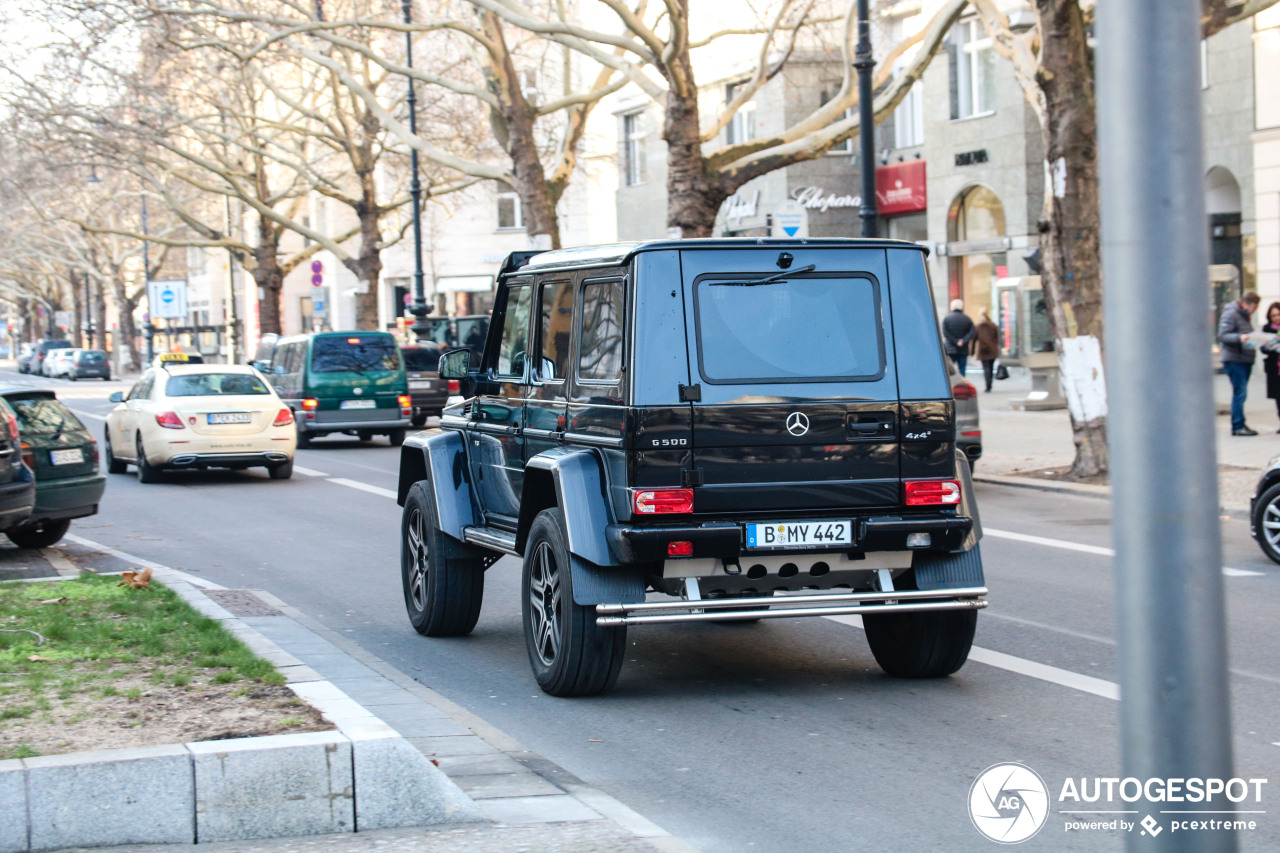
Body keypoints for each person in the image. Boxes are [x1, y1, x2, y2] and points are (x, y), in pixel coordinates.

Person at [1219, 290, 1261, 436]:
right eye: (1254, 308)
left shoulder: (1244, 317)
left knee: (1241, 393)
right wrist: (1240, 337)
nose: (1254, 311)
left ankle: (1240, 422)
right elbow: (1223, 335)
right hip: (1235, 360)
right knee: (1240, 393)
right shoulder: (1231, 314)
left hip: (1244, 360)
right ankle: (1237, 426)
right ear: (1246, 304)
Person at [942, 299, 975, 376]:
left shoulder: (947, 319)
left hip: (950, 349)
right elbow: (971, 332)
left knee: (948, 370)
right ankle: (962, 386)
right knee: (962, 369)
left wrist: (955, 341)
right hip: (963, 349)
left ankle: (951, 386)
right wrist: (963, 341)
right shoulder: (967, 319)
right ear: (962, 307)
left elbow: (945, 333)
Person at [972, 307, 1000, 392]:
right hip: (992, 349)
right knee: (990, 367)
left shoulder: (978, 326)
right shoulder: (993, 325)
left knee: (986, 367)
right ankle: (990, 383)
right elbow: (998, 337)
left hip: (983, 350)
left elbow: (974, 339)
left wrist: (972, 351)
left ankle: (988, 385)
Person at [1262, 301, 1280, 432]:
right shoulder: (1267, 329)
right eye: (1273, 316)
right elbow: (1264, 348)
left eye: (1278, 315)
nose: (1276, 318)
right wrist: (1272, 346)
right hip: (1275, 367)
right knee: (1278, 397)